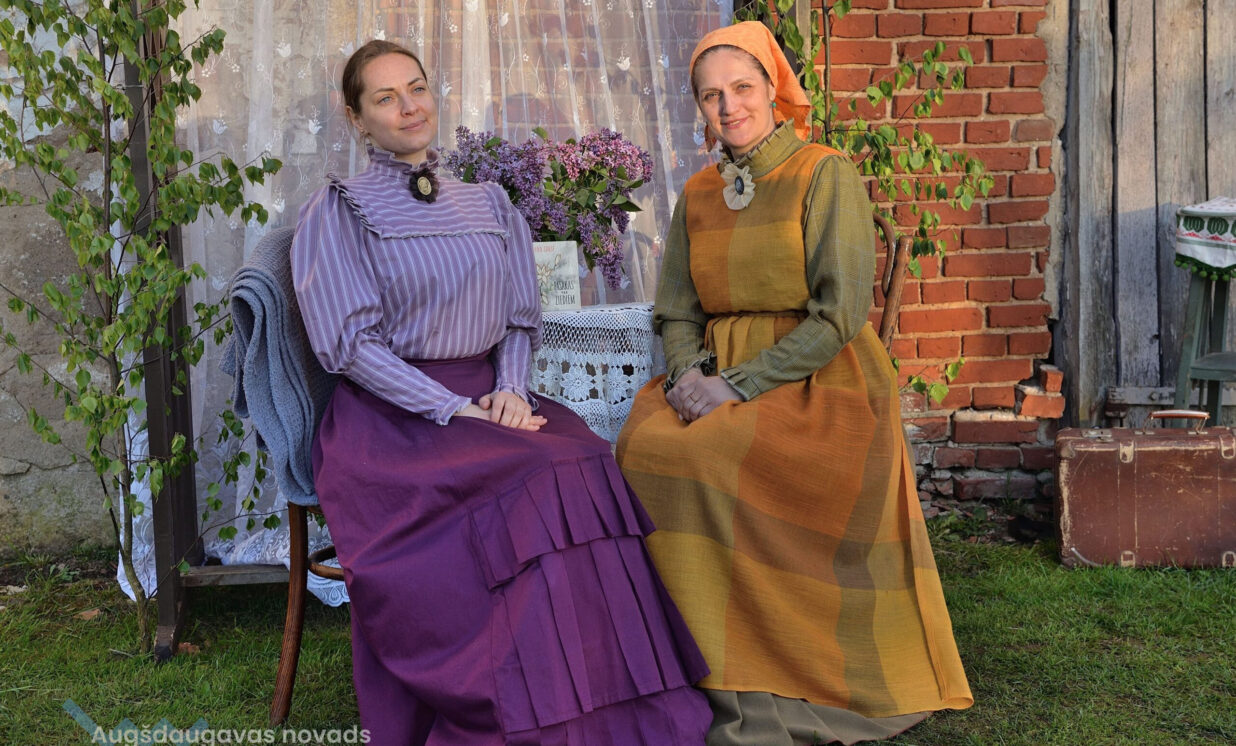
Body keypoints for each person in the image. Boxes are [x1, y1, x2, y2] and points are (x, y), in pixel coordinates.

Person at [291, 39, 712, 745]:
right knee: (542, 473)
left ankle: (604, 708)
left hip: (491, 398)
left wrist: (512, 389)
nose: (409, 107)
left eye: (416, 88)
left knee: (583, 460)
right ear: (356, 117)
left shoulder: (486, 200)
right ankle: (523, 707)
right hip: (392, 421)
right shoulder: (339, 211)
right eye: (386, 97)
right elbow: (350, 347)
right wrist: (450, 407)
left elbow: (519, 317)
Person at [615, 21, 973, 746]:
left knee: (707, 457)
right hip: (713, 371)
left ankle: (759, 668)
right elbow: (677, 309)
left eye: (742, 87)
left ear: (774, 89)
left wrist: (737, 385)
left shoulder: (821, 172)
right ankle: (687, 667)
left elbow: (839, 314)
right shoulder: (698, 192)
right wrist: (686, 374)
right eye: (711, 95)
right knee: (641, 450)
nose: (729, 107)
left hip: (816, 380)